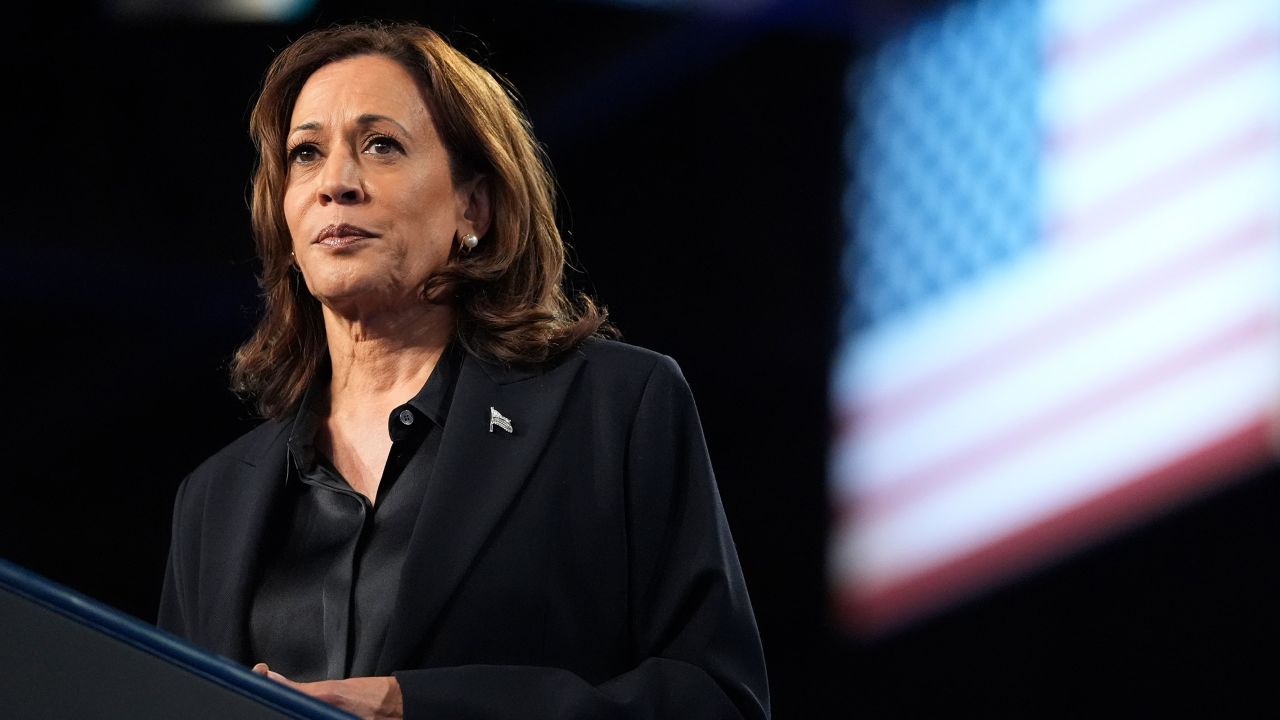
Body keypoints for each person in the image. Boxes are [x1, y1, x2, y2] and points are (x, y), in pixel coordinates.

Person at [157, 21, 769, 720]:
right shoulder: (213, 503)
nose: (335, 183)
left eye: (381, 145)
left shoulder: (614, 409)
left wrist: (414, 708)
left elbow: (716, 702)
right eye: (305, 154)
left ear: (472, 206)